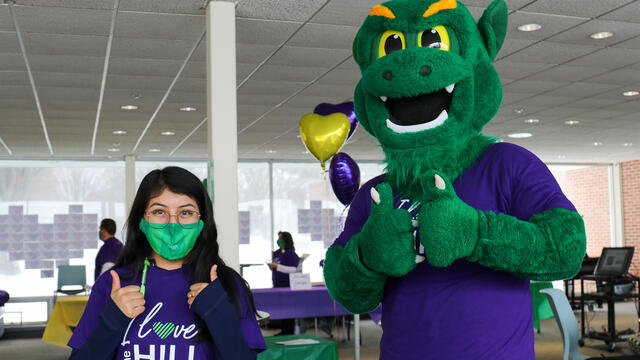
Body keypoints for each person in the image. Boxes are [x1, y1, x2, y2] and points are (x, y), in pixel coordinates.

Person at [68, 166, 265, 359]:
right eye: (159, 212)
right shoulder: (112, 284)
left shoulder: (225, 284)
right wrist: (112, 321)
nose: (173, 225)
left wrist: (219, 315)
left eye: (186, 213)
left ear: (202, 221)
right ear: (142, 221)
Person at [267, 231, 299, 335]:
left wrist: (277, 266)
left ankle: (289, 331)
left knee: (289, 309)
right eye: (278, 239)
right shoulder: (277, 253)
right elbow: (275, 265)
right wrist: (272, 266)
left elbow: (293, 269)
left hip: (288, 286)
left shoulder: (291, 253)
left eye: (281, 239)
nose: (278, 241)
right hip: (277, 285)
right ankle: (284, 330)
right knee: (282, 309)